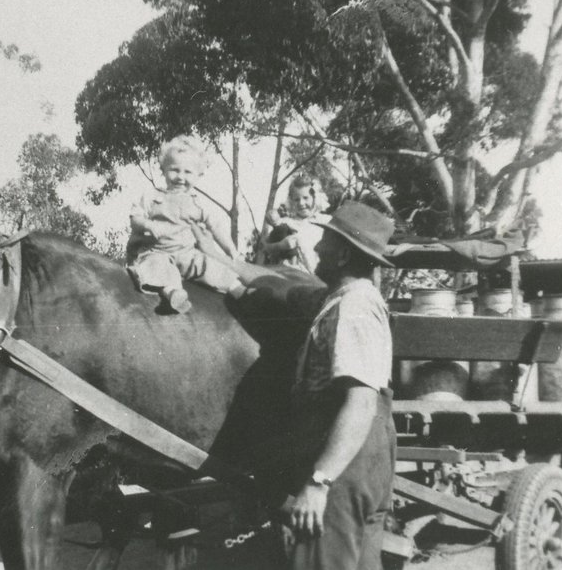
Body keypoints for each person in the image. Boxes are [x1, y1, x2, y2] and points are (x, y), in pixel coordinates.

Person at [241, 201, 396, 570]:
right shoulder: (344, 299)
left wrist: (319, 482)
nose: (315, 247)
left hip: (343, 461)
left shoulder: (354, 308)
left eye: (326, 240)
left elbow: (361, 403)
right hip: (363, 460)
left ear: (343, 255)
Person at [127, 136, 245, 313]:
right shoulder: (152, 196)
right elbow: (135, 218)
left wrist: (231, 250)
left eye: (188, 172)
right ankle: (173, 294)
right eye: (174, 170)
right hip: (157, 252)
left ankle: (239, 290)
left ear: (198, 175)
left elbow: (216, 227)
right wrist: (148, 225)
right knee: (157, 268)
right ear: (163, 170)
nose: (180, 177)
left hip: (188, 254)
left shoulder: (198, 203)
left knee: (210, 266)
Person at [259, 176, 331, 274]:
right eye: (296, 199)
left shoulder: (326, 221)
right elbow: (264, 248)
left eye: (306, 198)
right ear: (291, 201)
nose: (301, 203)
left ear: (315, 197)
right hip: (296, 274)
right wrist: (280, 245)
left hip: (322, 274)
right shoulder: (287, 223)